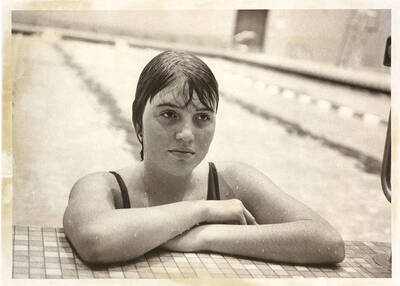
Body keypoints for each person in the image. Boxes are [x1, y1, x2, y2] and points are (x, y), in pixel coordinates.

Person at [63, 50, 345, 265]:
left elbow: (328, 242)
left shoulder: (232, 180)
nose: (187, 134)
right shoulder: (102, 186)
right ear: (138, 122)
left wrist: (205, 236)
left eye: (202, 118)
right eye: (169, 114)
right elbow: (95, 240)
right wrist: (202, 211)